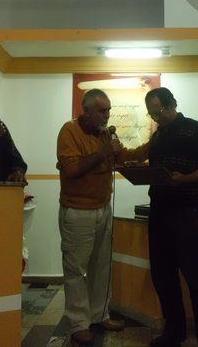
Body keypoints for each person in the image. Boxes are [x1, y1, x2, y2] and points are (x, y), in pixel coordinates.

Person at [57, 89, 149, 346]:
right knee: (76, 270)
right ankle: (78, 324)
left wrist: (153, 143)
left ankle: (99, 315)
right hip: (77, 211)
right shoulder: (69, 131)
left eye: (108, 110)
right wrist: (104, 152)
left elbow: (126, 156)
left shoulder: (106, 134)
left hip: (103, 208)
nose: (107, 115)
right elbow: (71, 169)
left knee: (102, 265)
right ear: (86, 111)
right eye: (101, 110)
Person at [145, 87, 198, 347]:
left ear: (171, 104)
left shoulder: (195, 129)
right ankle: (174, 332)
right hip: (159, 210)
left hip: (185, 212)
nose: (156, 118)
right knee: (162, 275)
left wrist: (184, 179)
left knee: (196, 277)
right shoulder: (158, 135)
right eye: (152, 114)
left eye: (158, 112)